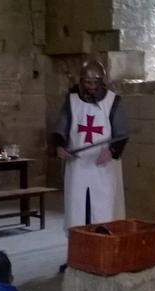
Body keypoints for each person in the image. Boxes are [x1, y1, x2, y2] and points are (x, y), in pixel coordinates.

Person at [54, 60, 129, 230]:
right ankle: (80, 240)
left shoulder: (112, 101)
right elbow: (61, 129)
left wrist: (111, 151)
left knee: (104, 207)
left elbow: (122, 133)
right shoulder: (72, 101)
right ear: (81, 81)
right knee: (77, 206)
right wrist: (60, 146)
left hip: (104, 166)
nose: (92, 87)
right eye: (88, 82)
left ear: (102, 82)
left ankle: (104, 239)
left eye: (96, 82)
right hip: (78, 164)